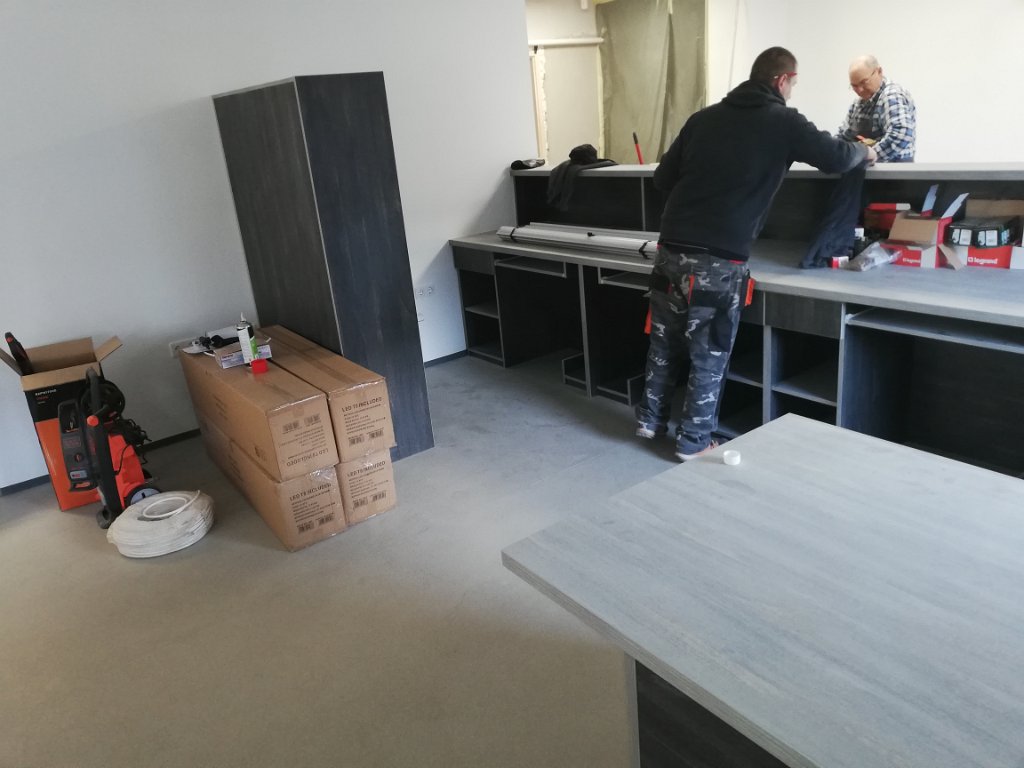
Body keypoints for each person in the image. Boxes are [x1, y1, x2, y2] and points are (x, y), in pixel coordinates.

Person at [635, 46, 876, 461]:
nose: (792, 91)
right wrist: (866, 151)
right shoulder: (783, 120)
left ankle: (649, 420)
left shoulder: (702, 119)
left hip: (670, 248)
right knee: (709, 351)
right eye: (793, 83)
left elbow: (661, 178)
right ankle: (693, 443)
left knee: (664, 340)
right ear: (782, 80)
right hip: (719, 256)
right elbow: (835, 157)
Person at [838, 55, 916, 162]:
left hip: (894, 168)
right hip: (871, 168)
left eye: (864, 82)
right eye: (854, 86)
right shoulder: (858, 103)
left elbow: (901, 134)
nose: (859, 90)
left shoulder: (891, 95)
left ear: (879, 71)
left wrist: (869, 155)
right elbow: (844, 135)